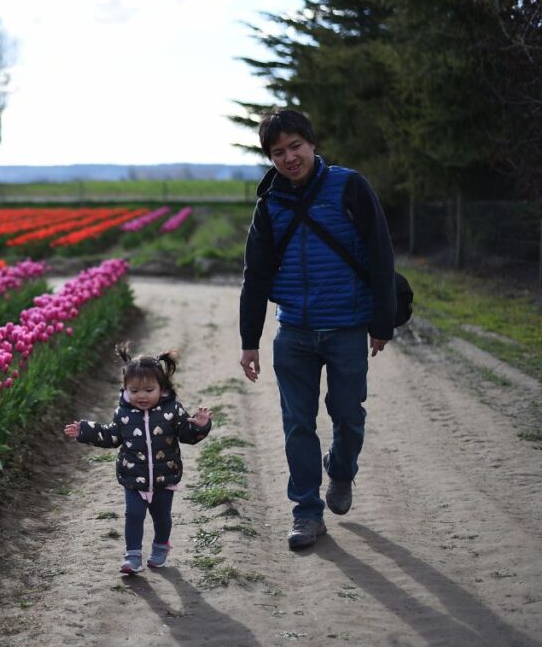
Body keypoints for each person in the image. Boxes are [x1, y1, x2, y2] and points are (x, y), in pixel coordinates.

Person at [238, 108, 397, 550]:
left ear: (311, 143)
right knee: (297, 425)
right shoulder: (269, 204)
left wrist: (381, 321)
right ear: (269, 158)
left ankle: (341, 471)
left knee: (349, 415)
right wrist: (249, 340)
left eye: (295, 146)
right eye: (277, 152)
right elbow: (255, 273)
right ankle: (307, 512)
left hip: (346, 328)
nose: (289, 158)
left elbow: (381, 255)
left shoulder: (349, 187)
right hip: (295, 333)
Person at [64, 342, 213, 574]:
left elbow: (186, 434)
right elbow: (111, 436)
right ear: (125, 388)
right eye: (134, 391)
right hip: (133, 476)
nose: (141, 396)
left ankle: (161, 546)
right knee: (133, 514)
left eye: (148, 390)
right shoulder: (123, 413)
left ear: (161, 387)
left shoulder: (173, 410)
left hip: (165, 477)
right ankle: (132, 555)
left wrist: (201, 427)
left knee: (161, 517)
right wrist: (86, 431)